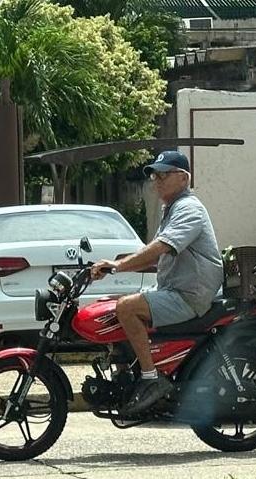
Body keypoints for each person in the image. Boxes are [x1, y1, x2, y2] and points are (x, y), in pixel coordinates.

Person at [91, 150, 224, 416]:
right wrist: (114, 268)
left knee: (127, 308)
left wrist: (118, 265)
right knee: (109, 307)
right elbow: (156, 254)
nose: (157, 180)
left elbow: (161, 247)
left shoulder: (189, 209)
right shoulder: (171, 209)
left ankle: (151, 380)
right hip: (173, 289)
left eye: (164, 174)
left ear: (183, 178)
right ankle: (128, 371)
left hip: (189, 295)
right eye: (155, 175)